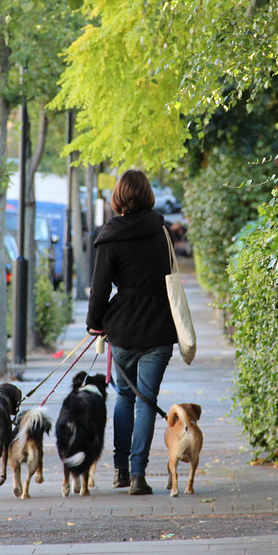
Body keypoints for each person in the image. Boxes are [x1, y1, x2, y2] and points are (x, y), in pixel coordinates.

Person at [86, 170, 178, 495]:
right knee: (147, 400)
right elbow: (169, 275)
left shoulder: (110, 236)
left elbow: (99, 289)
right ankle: (139, 475)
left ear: (118, 196)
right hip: (159, 324)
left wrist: (94, 323)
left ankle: (120, 470)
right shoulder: (160, 230)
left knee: (125, 396)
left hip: (122, 326)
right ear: (148, 194)